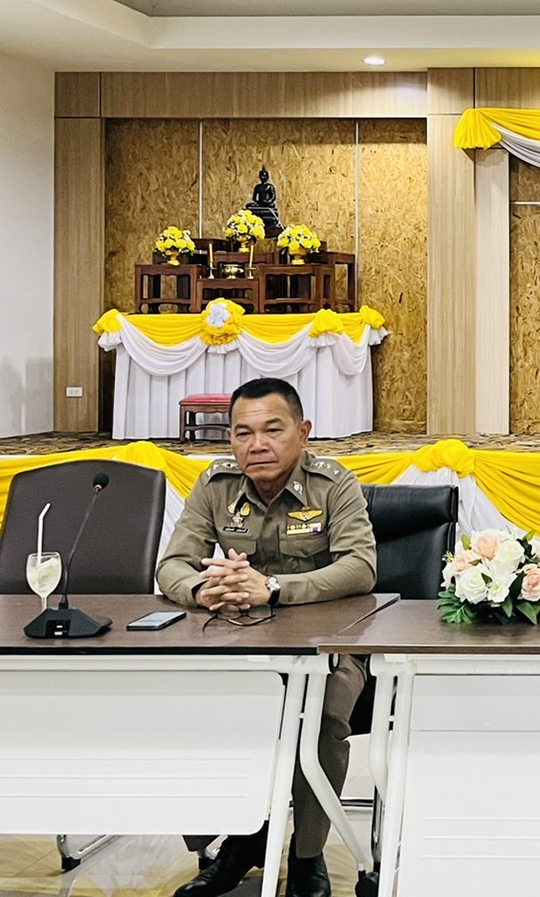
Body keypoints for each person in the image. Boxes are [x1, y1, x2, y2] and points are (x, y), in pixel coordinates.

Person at [157, 377, 377, 897]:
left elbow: (361, 567)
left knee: (318, 720)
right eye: (243, 433)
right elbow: (172, 564)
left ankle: (306, 856)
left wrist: (274, 588)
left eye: (272, 430)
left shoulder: (333, 485)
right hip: (241, 642)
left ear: (303, 432)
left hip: (328, 645)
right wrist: (202, 589)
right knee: (189, 707)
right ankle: (241, 839)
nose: (257, 444)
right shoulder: (215, 486)